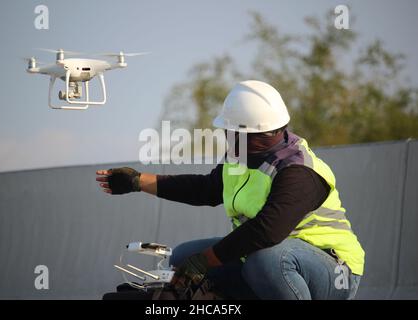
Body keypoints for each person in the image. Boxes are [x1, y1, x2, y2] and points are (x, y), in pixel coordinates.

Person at [96, 80, 364, 300]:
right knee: (183, 256)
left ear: (252, 134)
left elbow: (267, 231)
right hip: (270, 257)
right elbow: (205, 189)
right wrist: (137, 182)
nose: (226, 137)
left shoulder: (299, 171)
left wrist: (204, 263)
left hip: (334, 272)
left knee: (266, 260)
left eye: (231, 132)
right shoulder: (241, 158)